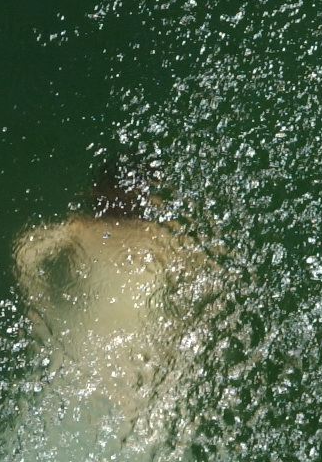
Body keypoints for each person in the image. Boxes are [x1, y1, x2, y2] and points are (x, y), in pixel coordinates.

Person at [13, 164, 214, 445]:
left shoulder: (79, 229)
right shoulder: (160, 236)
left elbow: (26, 252)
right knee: (142, 434)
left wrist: (40, 304)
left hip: (81, 361)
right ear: (148, 197)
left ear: (95, 193)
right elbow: (211, 277)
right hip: (137, 366)